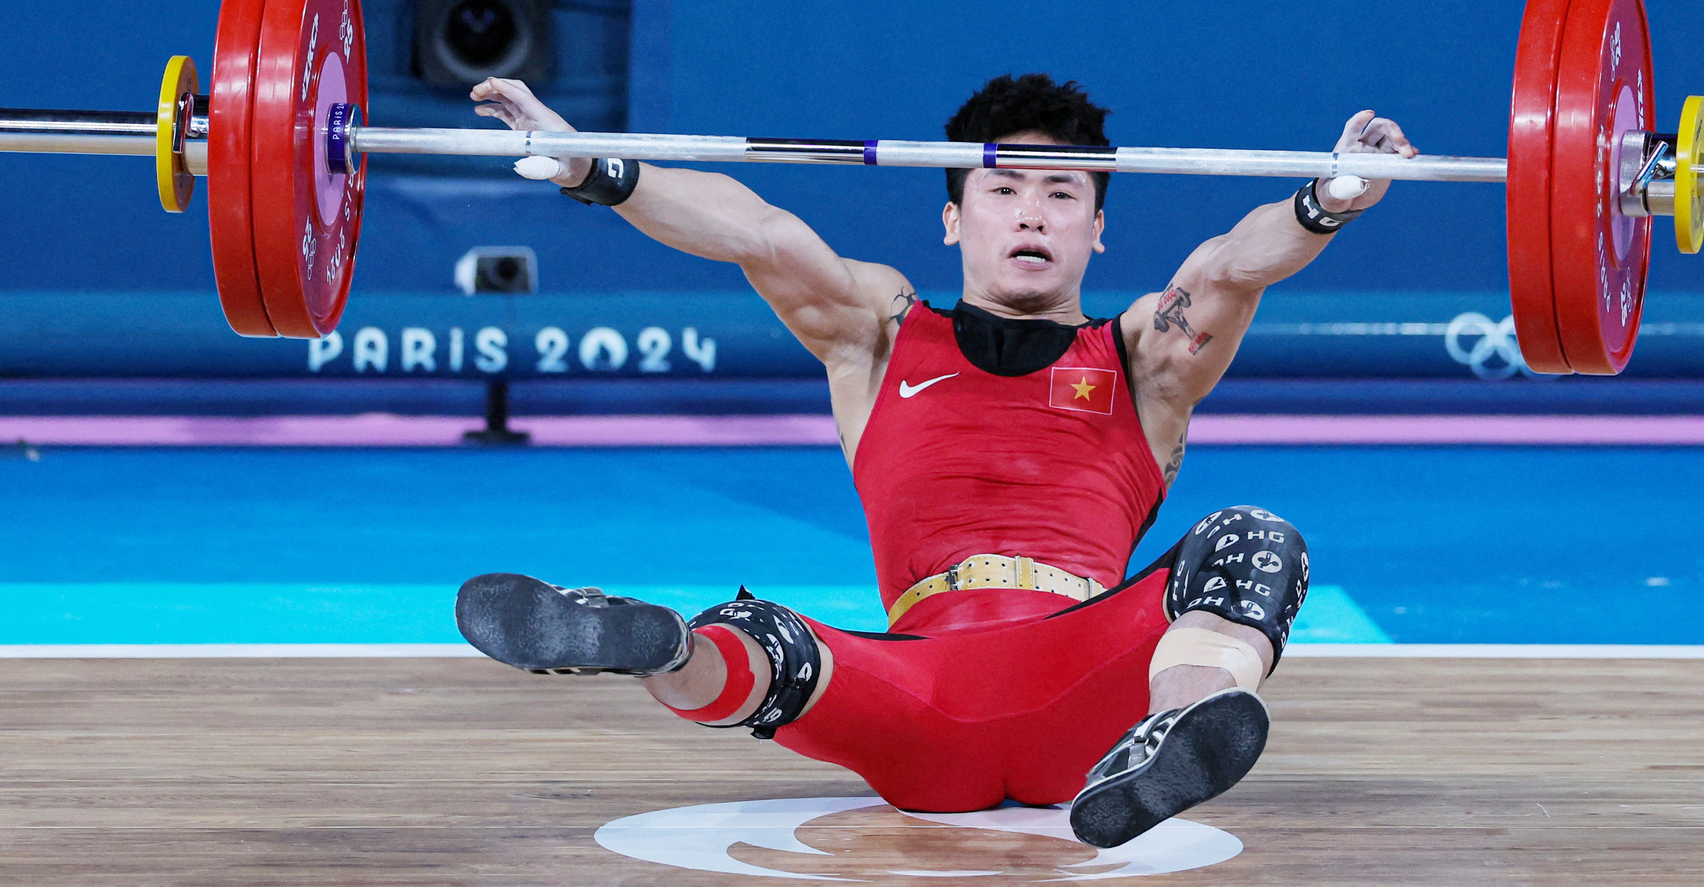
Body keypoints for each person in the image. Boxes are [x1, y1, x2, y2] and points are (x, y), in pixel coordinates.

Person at [456, 73, 1415, 848]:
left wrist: (1329, 199)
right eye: (1002, 189)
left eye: (1061, 192)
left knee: (1253, 541)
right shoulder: (877, 333)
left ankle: (1179, 727)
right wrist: (587, 164)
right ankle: (658, 646)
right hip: (917, 691)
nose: (1031, 213)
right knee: (757, 634)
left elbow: (1234, 262)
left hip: (1094, 691)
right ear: (955, 219)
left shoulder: (1146, 359)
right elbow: (756, 232)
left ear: (1097, 225)